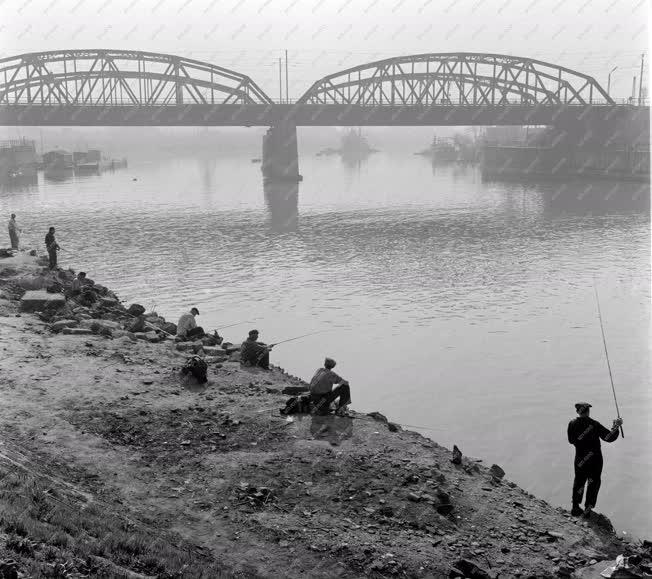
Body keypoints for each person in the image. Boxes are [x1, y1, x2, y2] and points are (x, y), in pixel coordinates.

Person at [567, 402, 623, 517]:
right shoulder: (594, 424)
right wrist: (616, 426)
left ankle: (575, 507)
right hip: (595, 459)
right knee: (594, 482)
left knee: (579, 481)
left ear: (577, 411)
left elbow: (571, 440)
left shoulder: (572, 424)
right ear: (588, 411)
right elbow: (609, 437)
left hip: (580, 458)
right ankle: (588, 509)